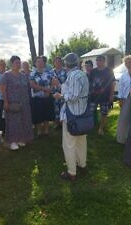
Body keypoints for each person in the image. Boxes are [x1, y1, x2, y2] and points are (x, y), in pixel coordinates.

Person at [53, 53, 89, 181]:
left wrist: (60, 96)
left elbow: (72, 97)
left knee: (69, 144)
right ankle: (82, 165)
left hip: (72, 114)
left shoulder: (73, 75)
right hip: (82, 112)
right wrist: (60, 86)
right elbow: (75, 92)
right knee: (81, 141)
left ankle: (72, 172)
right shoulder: (82, 74)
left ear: (66, 64)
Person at [0, 56, 34, 150]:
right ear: (11, 64)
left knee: (23, 120)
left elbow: (27, 88)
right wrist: (6, 102)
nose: (18, 64)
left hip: (24, 102)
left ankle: (21, 139)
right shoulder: (6, 75)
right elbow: (3, 89)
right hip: (12, 102)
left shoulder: (23, 75)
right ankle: (12, 141)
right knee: (13, 122)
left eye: (19, 62)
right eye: (16, 63)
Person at [89, 55, 115, 135]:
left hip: (105, 96)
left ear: (104, 61)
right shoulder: (93, 71)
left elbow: (113, 83)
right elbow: (90, 83)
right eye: (97, 60)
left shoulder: (109, 70)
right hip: (93, 96)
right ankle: (90, 126)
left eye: (100, 60)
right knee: (90, 111)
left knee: (104, 113)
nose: (98, 62)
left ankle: (101, 128)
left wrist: (111, 95)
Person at [30, 56, 55, 137]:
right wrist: (45, 89)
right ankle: (39, 131)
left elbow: (53, 82)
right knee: (37, 114)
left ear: (44, 63)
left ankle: (46, 131)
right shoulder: (32, 73)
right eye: (38, 62)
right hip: (36, 97)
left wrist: (50, 90)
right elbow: (32, 85)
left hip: (47, 96)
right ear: (35, 63)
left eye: (41, 61)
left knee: (46, 114)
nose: (40, 63)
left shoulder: (49, 72)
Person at [51, 57, 67, 127]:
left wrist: (59, 84)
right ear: (54, 63)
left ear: (61, 62)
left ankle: (63, 123)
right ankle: (57, 123)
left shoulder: (66, 71)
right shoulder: (51, 72)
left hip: (63, 93)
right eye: (56, 61)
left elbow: (68, 82)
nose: (58, 63)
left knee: (63, 108)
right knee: (55, 109)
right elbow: (48, 82)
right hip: (54, 93)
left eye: (59, 61)